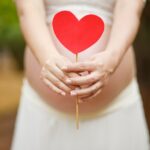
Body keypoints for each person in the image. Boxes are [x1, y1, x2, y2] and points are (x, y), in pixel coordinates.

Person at [11, 0, 149, 149]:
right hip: (42, 113)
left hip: (116, 112)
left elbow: (130, 9)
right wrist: (47, 56)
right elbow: (28, 10)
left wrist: (112, 57)